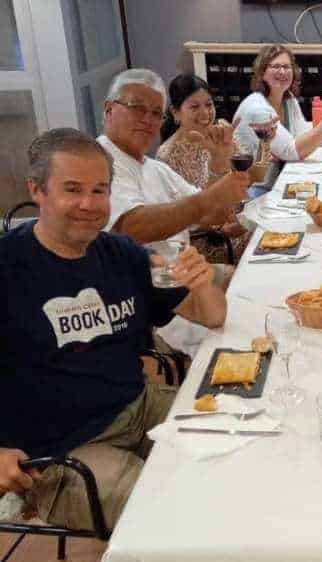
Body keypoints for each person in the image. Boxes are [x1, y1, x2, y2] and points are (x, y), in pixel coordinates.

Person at [0, 128, 226, 530]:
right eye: (72, 189)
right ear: (37, 190)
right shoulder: (9, 266)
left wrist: (202, 283)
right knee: (169, 519)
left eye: (100, 190)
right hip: (63, 449)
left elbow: (212, 317)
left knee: (236, 445)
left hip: (138, 405)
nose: (89, 204)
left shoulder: (121, 254)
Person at [98, 68, 248, 357]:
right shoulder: (100, 162)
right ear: (109, 109)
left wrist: (218, 163)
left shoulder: (155, 168)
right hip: (149, 292)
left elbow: (214, 217)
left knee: (251, 285)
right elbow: (131, 226)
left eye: (156, 113)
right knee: (239, 330)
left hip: (186, 273)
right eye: (136, 108)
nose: (147, 119)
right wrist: (211, 198)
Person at [157, 73, 276, 263]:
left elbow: (256, 176)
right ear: (176, 112)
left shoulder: (223, 137)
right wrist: (226, 226)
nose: (205, 113)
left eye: (209, 104)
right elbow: (182, 216)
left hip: (241, 226)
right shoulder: (167, 156)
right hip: (206, 245)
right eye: (195, 107)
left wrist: (266, 143)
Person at [233, 44, 322, 161]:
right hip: (253, 179)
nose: (282, 72)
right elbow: (292, 152)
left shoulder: (288, 100)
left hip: (276, 171)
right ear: (262, 73)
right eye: (275, 66)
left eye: (286, 67)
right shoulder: (257, 110)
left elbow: (302, 135)